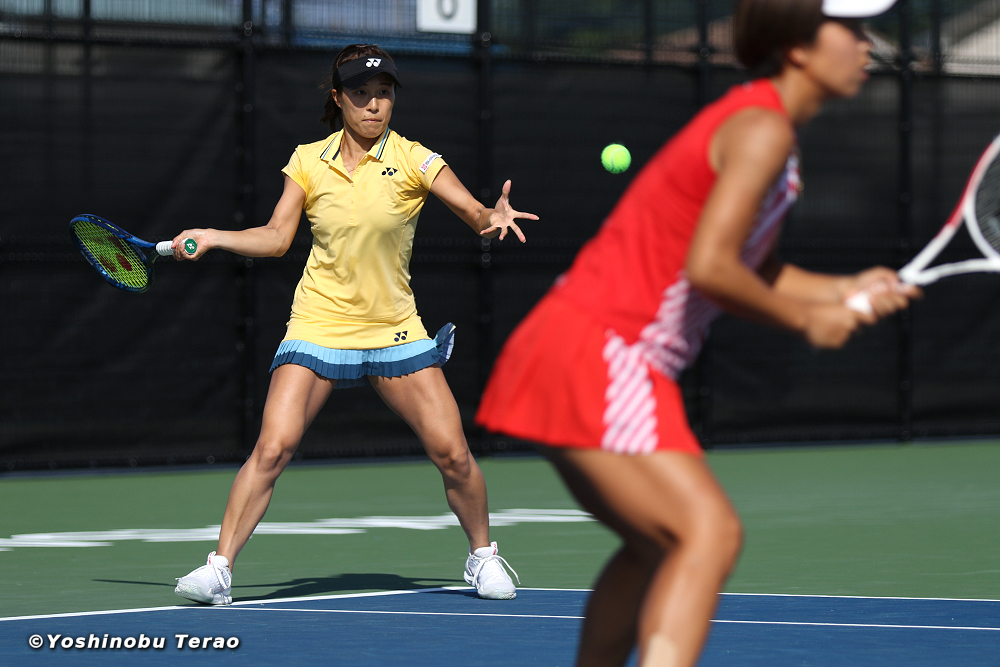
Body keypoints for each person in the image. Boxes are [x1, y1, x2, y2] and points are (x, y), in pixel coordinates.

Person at [475, 0, 916, 665]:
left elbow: (755, 266)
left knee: (656, 544)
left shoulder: (768, 131)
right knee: (708, 534)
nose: (867, 44)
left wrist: (845, 288)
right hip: (604, 349)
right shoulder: (762, 129)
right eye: (850, 29)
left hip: (575, 345)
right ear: (798, 46)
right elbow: (710, 268)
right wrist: (808, 319)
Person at [170, 44, 535, 605]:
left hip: (395, 330)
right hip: (318, 324)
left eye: (383, 94)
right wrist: (214, 236)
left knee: (453, 453)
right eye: (361, 94)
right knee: (272, 449)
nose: (374, 105)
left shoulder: (416, 159)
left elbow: (473, 213)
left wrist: (494, 216)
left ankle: (482, 557)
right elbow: (276, 237)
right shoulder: (307, 160)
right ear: (338, 99)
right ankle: (218, 571)